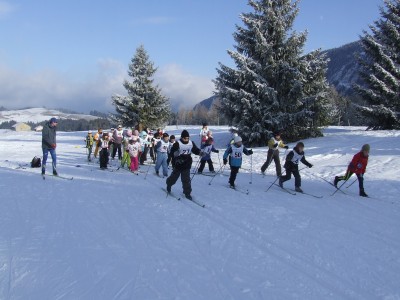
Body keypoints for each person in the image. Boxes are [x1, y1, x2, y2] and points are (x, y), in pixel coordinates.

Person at [166, 130, 202, 200]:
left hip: (187, 163)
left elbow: (195, 150)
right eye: (185, 138)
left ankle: (187, 193)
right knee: (174, 178)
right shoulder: (177, 144)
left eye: (187, 138)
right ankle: (169, 184)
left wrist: (200, 153)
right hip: (178, 164)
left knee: (186, 179)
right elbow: (172, 153)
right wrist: (177, 159)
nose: (186, 139)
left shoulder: (191, 143)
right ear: (182, 137)